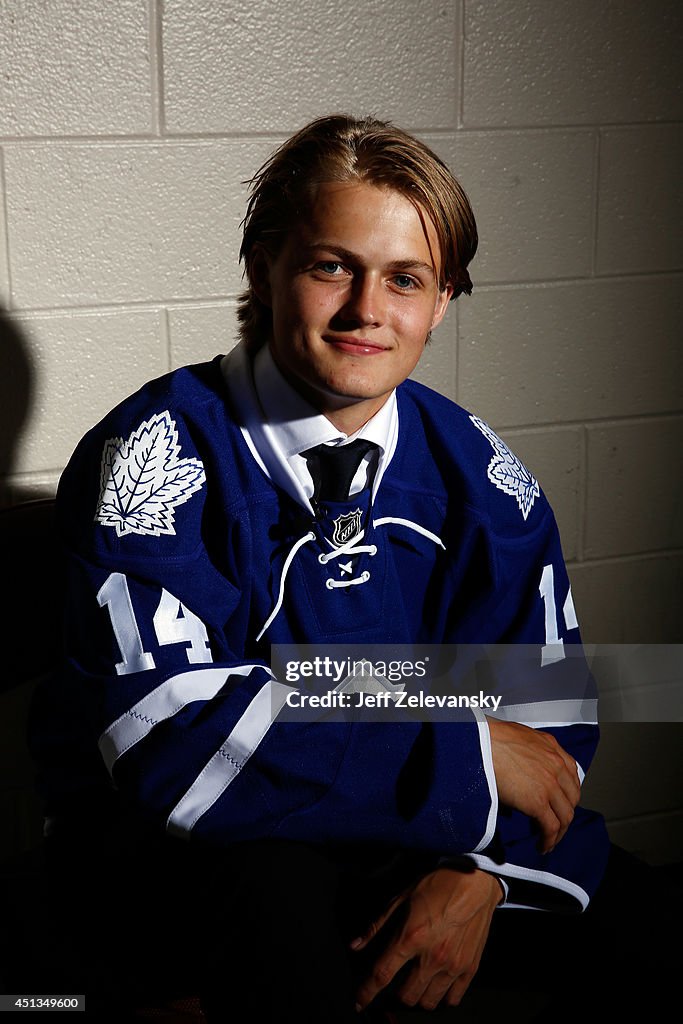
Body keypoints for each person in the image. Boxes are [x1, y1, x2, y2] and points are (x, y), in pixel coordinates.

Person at [24, 115, 675, 1022]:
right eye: (332, 265)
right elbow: (167, 739)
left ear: (443, 298)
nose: (368, 309)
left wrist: (480, 880)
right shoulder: (153, 459)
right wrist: (456, 742)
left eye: (405, 279)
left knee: (655, 934)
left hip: (412, 832)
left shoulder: (481, 474)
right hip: (188, 852)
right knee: (278, 911)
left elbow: (545, 722)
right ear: (263, 267)